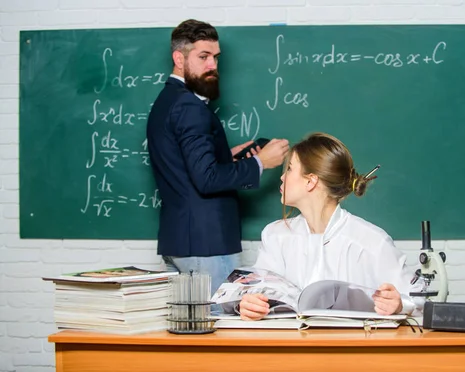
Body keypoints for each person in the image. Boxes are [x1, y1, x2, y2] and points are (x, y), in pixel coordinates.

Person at [146, 19, 289, 296]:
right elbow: (207, 179)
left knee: (191, 328)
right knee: (218, 325)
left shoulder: (168, 100)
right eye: (203, 56)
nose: (212, 65)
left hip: (180, 240)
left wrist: (226, 156)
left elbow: (187, 167)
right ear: (179, 58)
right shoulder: (190, 106)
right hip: (206, 244)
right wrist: (261, 162)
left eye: (215, 57)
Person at [238, 133, 424, 321]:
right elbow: (257, 290)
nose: (282, 177)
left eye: (290, 169)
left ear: (311, 181)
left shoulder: (371, 241)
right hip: (290, 346)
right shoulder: (275, 235)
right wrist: (249, 304)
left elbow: (419, 301)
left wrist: (399, 304)